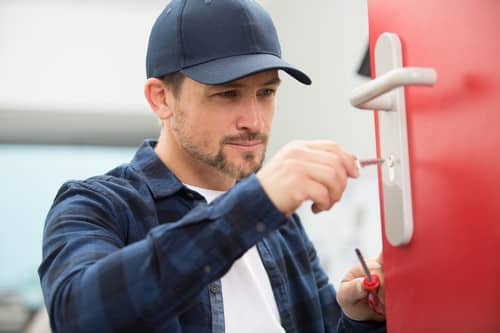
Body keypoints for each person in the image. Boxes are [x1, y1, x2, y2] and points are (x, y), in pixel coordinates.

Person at [38, 1, 386, 332]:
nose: (254, 121)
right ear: (161, 99)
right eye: (227, 94)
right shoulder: (98, 205)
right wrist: (258, 202)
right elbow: (78, 319)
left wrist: (360, 320)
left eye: (266, 93)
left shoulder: (281, 223)